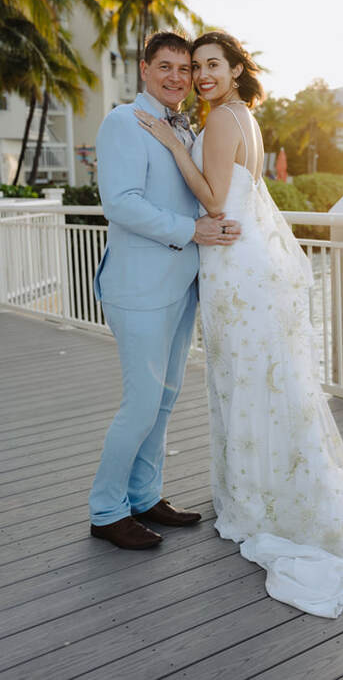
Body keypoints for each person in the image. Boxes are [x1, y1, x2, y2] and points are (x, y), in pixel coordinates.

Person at [134, 31, 343, 617]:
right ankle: (267, 488)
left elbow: (212, 200)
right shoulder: (243, 116)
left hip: (235, 261)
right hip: (250, 257)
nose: (201, 75)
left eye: (212, 65)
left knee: (248, 377)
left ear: (234, 70)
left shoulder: (224, 121)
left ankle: (258, 501)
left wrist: (174, 147)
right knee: (265, 376)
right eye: (195, 66)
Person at [89, 31, 241, 550]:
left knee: (166, 399)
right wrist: (191, 231)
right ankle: (107, 511)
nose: (179, 77)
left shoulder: (183, 123)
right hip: (138, 287)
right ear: (144, 70)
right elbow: (122, 204)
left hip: (182, 284)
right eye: (167, 67)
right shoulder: (121, 123)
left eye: (186, 68)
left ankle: (145, 495)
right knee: (140, 403)